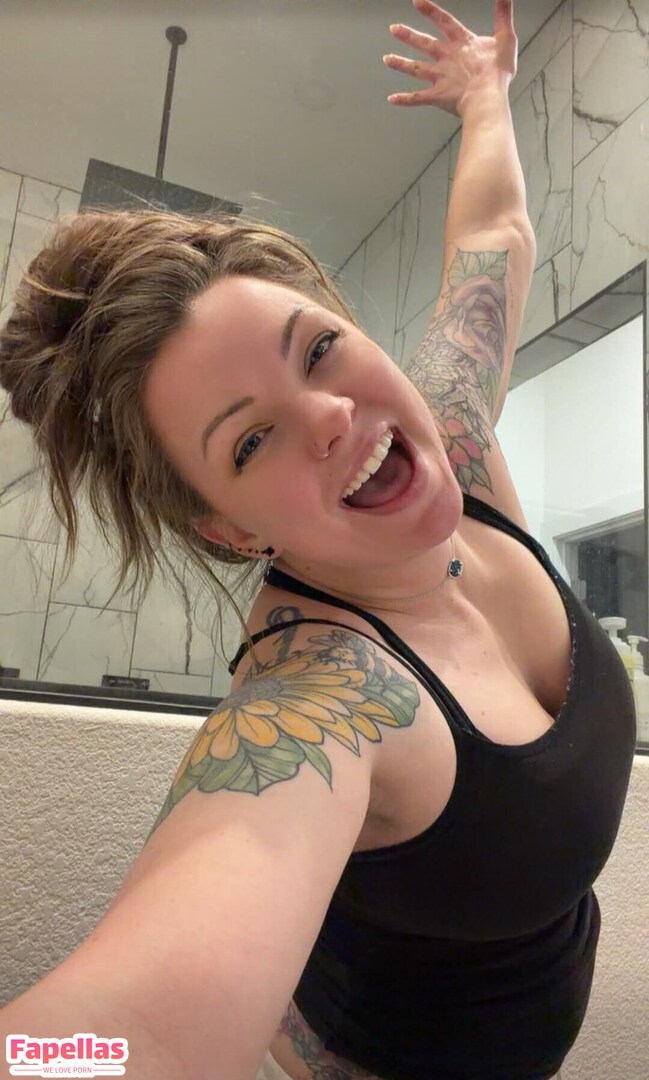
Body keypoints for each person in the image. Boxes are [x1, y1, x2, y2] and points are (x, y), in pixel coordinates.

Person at [0, 1, 636, 1078]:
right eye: (252, 441)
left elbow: (494, 236)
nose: (332, 415)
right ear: (227, 525)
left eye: (319, 350)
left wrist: (484, 97)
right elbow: (127, 1036)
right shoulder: (319, 700)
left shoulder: (455, 439)